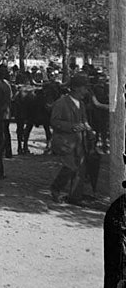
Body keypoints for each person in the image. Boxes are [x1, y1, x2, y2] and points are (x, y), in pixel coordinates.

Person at [49, 73, 97, 205]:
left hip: (79, 142)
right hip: (64, 142)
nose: (86, 91)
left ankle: (75, 197)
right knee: (70, 167)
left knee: (80, 169)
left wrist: (89, 129)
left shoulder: (81, 104)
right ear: (76, 88)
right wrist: (72, 127)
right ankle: (55, 189)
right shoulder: (61, 103)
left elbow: (84, 121)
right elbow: (54, 122)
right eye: (84, 88)